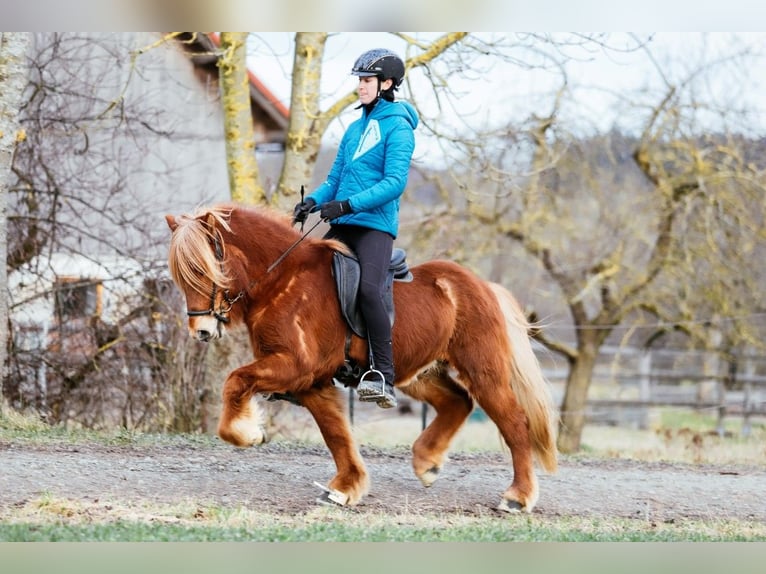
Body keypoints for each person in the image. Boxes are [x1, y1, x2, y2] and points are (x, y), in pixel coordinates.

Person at [293, 48, 419, 409]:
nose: (361, 87)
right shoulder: (354, 127)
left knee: (367, 290)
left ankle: (382, 374)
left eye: (367, 81)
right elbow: (334, 179)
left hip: (374, 227)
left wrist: (347, 205)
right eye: (359, 81)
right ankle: (309, 365)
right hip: (342, 223)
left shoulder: (398, 127)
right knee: (307, 282)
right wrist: (314, 201)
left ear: (387, 83)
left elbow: (395, 182)